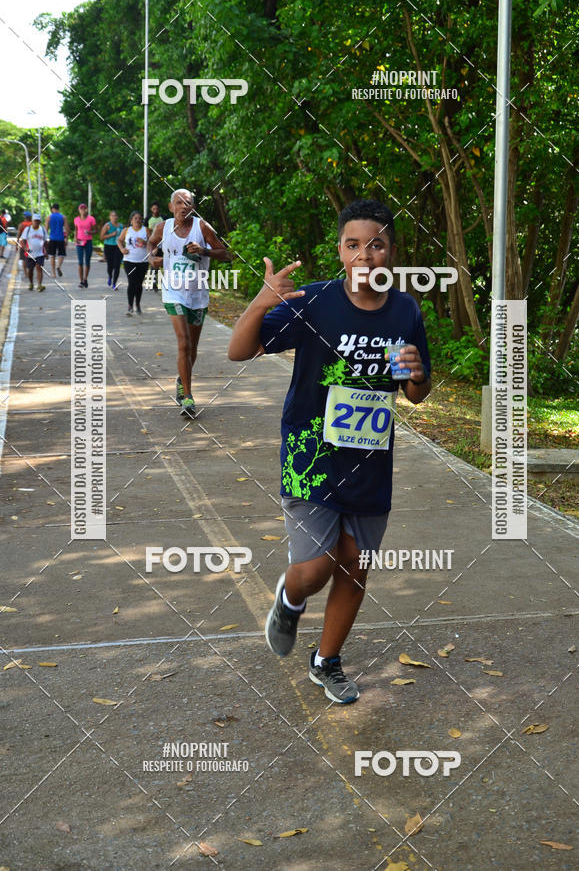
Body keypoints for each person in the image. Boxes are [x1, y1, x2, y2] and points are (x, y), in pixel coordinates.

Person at [228, 199, 432, 704]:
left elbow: (415, 392)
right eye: (353, 244)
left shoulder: (406, 309)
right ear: (340, 251)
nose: (365, 255)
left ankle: (328, 661)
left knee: (356, 564)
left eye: (377, 244)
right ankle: (290, 599)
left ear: (391, 253)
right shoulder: (314, 301)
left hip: (368, 458)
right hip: (310, 454)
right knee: (317, 567)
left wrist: (416, 373)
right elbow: (238, 351)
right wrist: (261, 301)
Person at [148, 188, 229, 418]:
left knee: (192, 348)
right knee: (183, 343)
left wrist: (204, 251)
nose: (184, 206)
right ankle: (188, 398)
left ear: (193, 206)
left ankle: (181, 379)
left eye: (188, 203)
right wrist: (153, 258)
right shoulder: (162, 228)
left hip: (198, 293)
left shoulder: (202, 227)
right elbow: (151, 244)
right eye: (179, 203)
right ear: (171, 206)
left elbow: (225, 253)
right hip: (173, 292)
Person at [118, 211, 150, 316]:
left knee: (139, 284)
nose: (138, 220)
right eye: (135, 218)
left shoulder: (146, 230)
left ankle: (138, 304)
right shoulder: (126, 230)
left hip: (143, 261)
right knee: (132, 282)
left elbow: (153, 244)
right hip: (129, 261)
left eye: (140, 218)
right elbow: (119, 240)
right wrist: (122, 249)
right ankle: (130, 306)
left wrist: (145, 243)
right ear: (131, 220)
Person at [19, 212, 47, 292]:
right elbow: (23, 240)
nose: (36, 222)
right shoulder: (28, 229)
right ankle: (31, 283)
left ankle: (39, 285)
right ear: (32, 221)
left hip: (40, 253)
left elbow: (46, 241)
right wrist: (25, 248)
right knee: (30, 270)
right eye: (35, 221)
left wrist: (46, 251)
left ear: (40, 222)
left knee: (39, 268)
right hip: (30, 254)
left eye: (38, 221)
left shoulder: (42, 229)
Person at [73, 203, 96, 288]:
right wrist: (75, 238)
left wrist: (90, 232)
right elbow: (76, 229)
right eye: (81, 209)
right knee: (80, 262)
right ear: (79, 210)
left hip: (88, 242)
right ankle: (81, 281)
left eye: (84, 209)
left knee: (87, 261)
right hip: (79, 242)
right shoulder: (76, 219)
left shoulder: (91, 219)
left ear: (86, 210)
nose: (83, 210)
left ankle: (85, 279)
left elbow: (96, 230)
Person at [100, 211, 123, 289]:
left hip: (118, 247)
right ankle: (110, 276)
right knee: (110, 265)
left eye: (116, 215)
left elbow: (123, 237)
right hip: (109, 246)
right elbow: (102, 237)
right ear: (110, 217)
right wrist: (111, 234)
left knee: (117, 266)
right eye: (112, 216)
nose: (114, 217)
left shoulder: (121, 226)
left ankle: (114, 283)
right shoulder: (107, 225)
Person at [45, 203, 69, 278]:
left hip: (52, 238)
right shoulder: (63, 217)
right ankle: (58, 266)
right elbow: (67, 229)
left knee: (52, 256)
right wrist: (66, 238)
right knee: (61, 254)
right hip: (61, 238)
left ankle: (53, 273)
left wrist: (45, 239)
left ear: (52, 209)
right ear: (58, 209)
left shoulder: (49, 217)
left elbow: (46, 229)